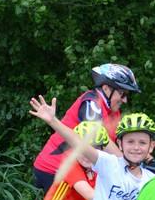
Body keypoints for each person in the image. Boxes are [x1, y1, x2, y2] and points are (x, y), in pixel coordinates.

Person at [32, 63, 140, 192]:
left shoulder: (113, 110)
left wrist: (143, 160)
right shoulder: (92, 103)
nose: (125, 100)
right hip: (56, 168)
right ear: (106, 88)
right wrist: (127, 164)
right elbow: (99, 139)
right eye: (122, 94)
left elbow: (122, 142)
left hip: (81, 170)